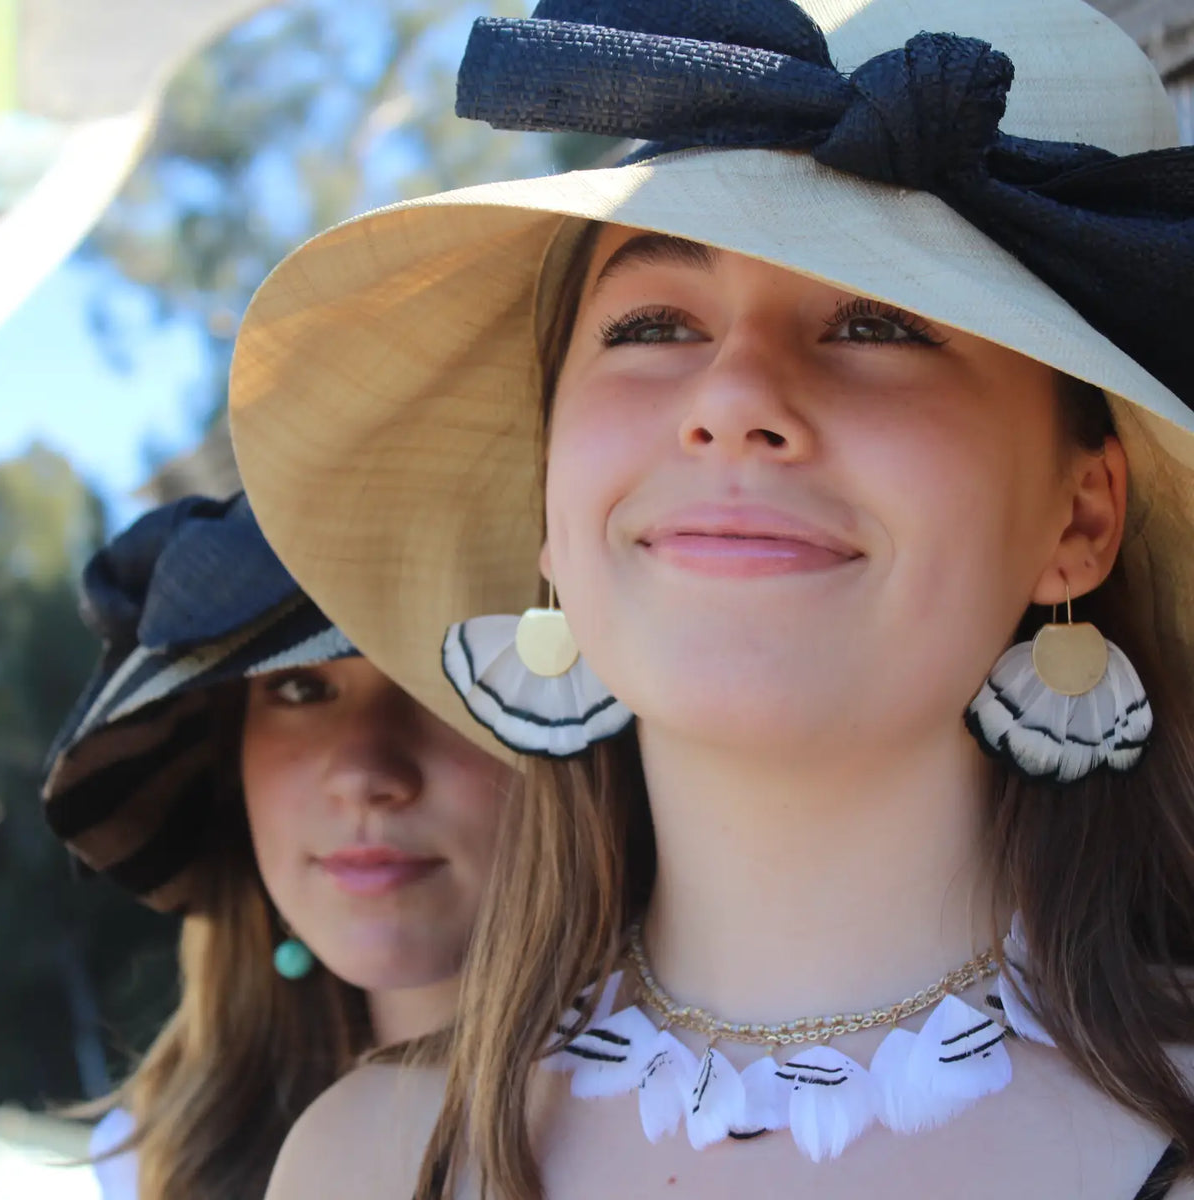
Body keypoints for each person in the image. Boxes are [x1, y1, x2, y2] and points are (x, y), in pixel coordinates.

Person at [228, 0, 1194, 1196]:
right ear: (551, 508)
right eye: (653, 325)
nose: (734, 396)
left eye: (880, 320)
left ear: (1079, 518)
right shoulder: (357, 1163)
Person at [41, 492, 513, 1200]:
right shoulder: (153, 1162)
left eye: (443, 683)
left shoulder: (696, 1125)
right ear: (232, 762)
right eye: (299, 688)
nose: (363, 774)